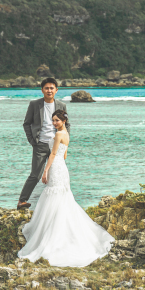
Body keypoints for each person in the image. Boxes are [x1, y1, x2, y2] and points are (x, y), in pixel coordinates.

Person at [17, 109, 114, 267]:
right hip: (63, 168)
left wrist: (46, 171)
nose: (54, 123)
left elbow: (53, 154)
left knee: (53, 196)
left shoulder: (58, 135)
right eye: (53, 120)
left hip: (56, 167)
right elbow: (65, 155)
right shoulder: (66, 134)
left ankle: (52, 234)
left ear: (63, 121)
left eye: (57, 120)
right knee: (62, 198)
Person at [18, 78, 69, 210]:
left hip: (57, 145)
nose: (49, 90)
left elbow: (66, 125)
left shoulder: (61, 105)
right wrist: (32, 140)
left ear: (56, 90)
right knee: (35, 175)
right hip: (40, 144)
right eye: (46, 88)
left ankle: (59, 205)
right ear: (42, 90)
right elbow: (26, 123)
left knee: (58, 174)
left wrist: (65, 146)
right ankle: (22, 201)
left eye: (52, 88)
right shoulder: (34, 104)